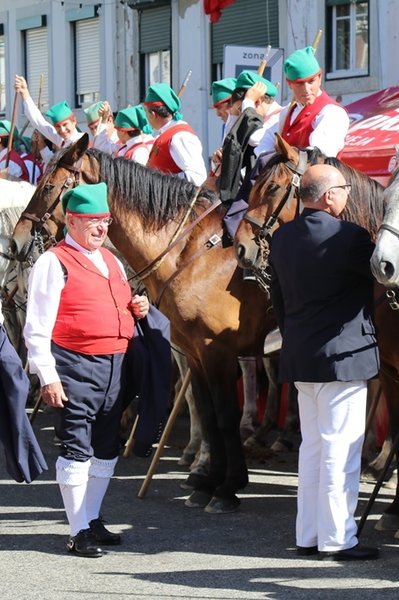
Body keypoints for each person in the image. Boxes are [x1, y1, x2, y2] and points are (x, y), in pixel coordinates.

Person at [23, 182, 150, 558]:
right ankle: (78, 530)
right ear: (72, 222)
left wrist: (136, 307)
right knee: (77, 447)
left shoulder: (111, 260)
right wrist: (47, 376)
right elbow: (36, 326)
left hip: (115, 364)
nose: (101, 228)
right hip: (74, 365)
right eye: (93, 221)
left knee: (106, 447)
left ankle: (91, 518)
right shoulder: (53, 261)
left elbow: (119, 303)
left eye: (105, 220)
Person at [268, 163, 380, 561]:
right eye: (345, 189)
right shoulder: (350, 237)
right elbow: (385, 277)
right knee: (340, 450)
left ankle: (310, 534)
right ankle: (338, 538)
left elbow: (278, 302)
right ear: (330, 195)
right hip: (343, 358)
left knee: (313, 448)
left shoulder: (281, 238)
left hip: (301, 355)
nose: (349, 195)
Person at [255, 46, 350, 158]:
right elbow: (262, 148)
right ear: (289, 84)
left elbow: (320, 153)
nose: (306, 89)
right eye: (300, 84)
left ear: (320, 77)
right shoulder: (287, 113)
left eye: (311, 81)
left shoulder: (332, 112)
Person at [220, 71, 281, 244]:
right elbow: (230, 142)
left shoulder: (277, 117)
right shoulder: (257, 117)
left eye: (242, 111)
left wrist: (247, 103)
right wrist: (233, 114)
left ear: (258, 101)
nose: (242, 115)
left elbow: (254, 138)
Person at [143, 83, 207, 186]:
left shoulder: (180, 136)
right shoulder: (165, 134)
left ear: (152, 115)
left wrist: (159, 180)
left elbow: (197, 177)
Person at [14, 75, 84, 162]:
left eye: (65, 124)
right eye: (57, 126)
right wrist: (24, 93)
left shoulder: (84, 142)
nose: (62, 130)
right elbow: (39, 122)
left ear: (74, 121)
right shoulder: (61, 140)